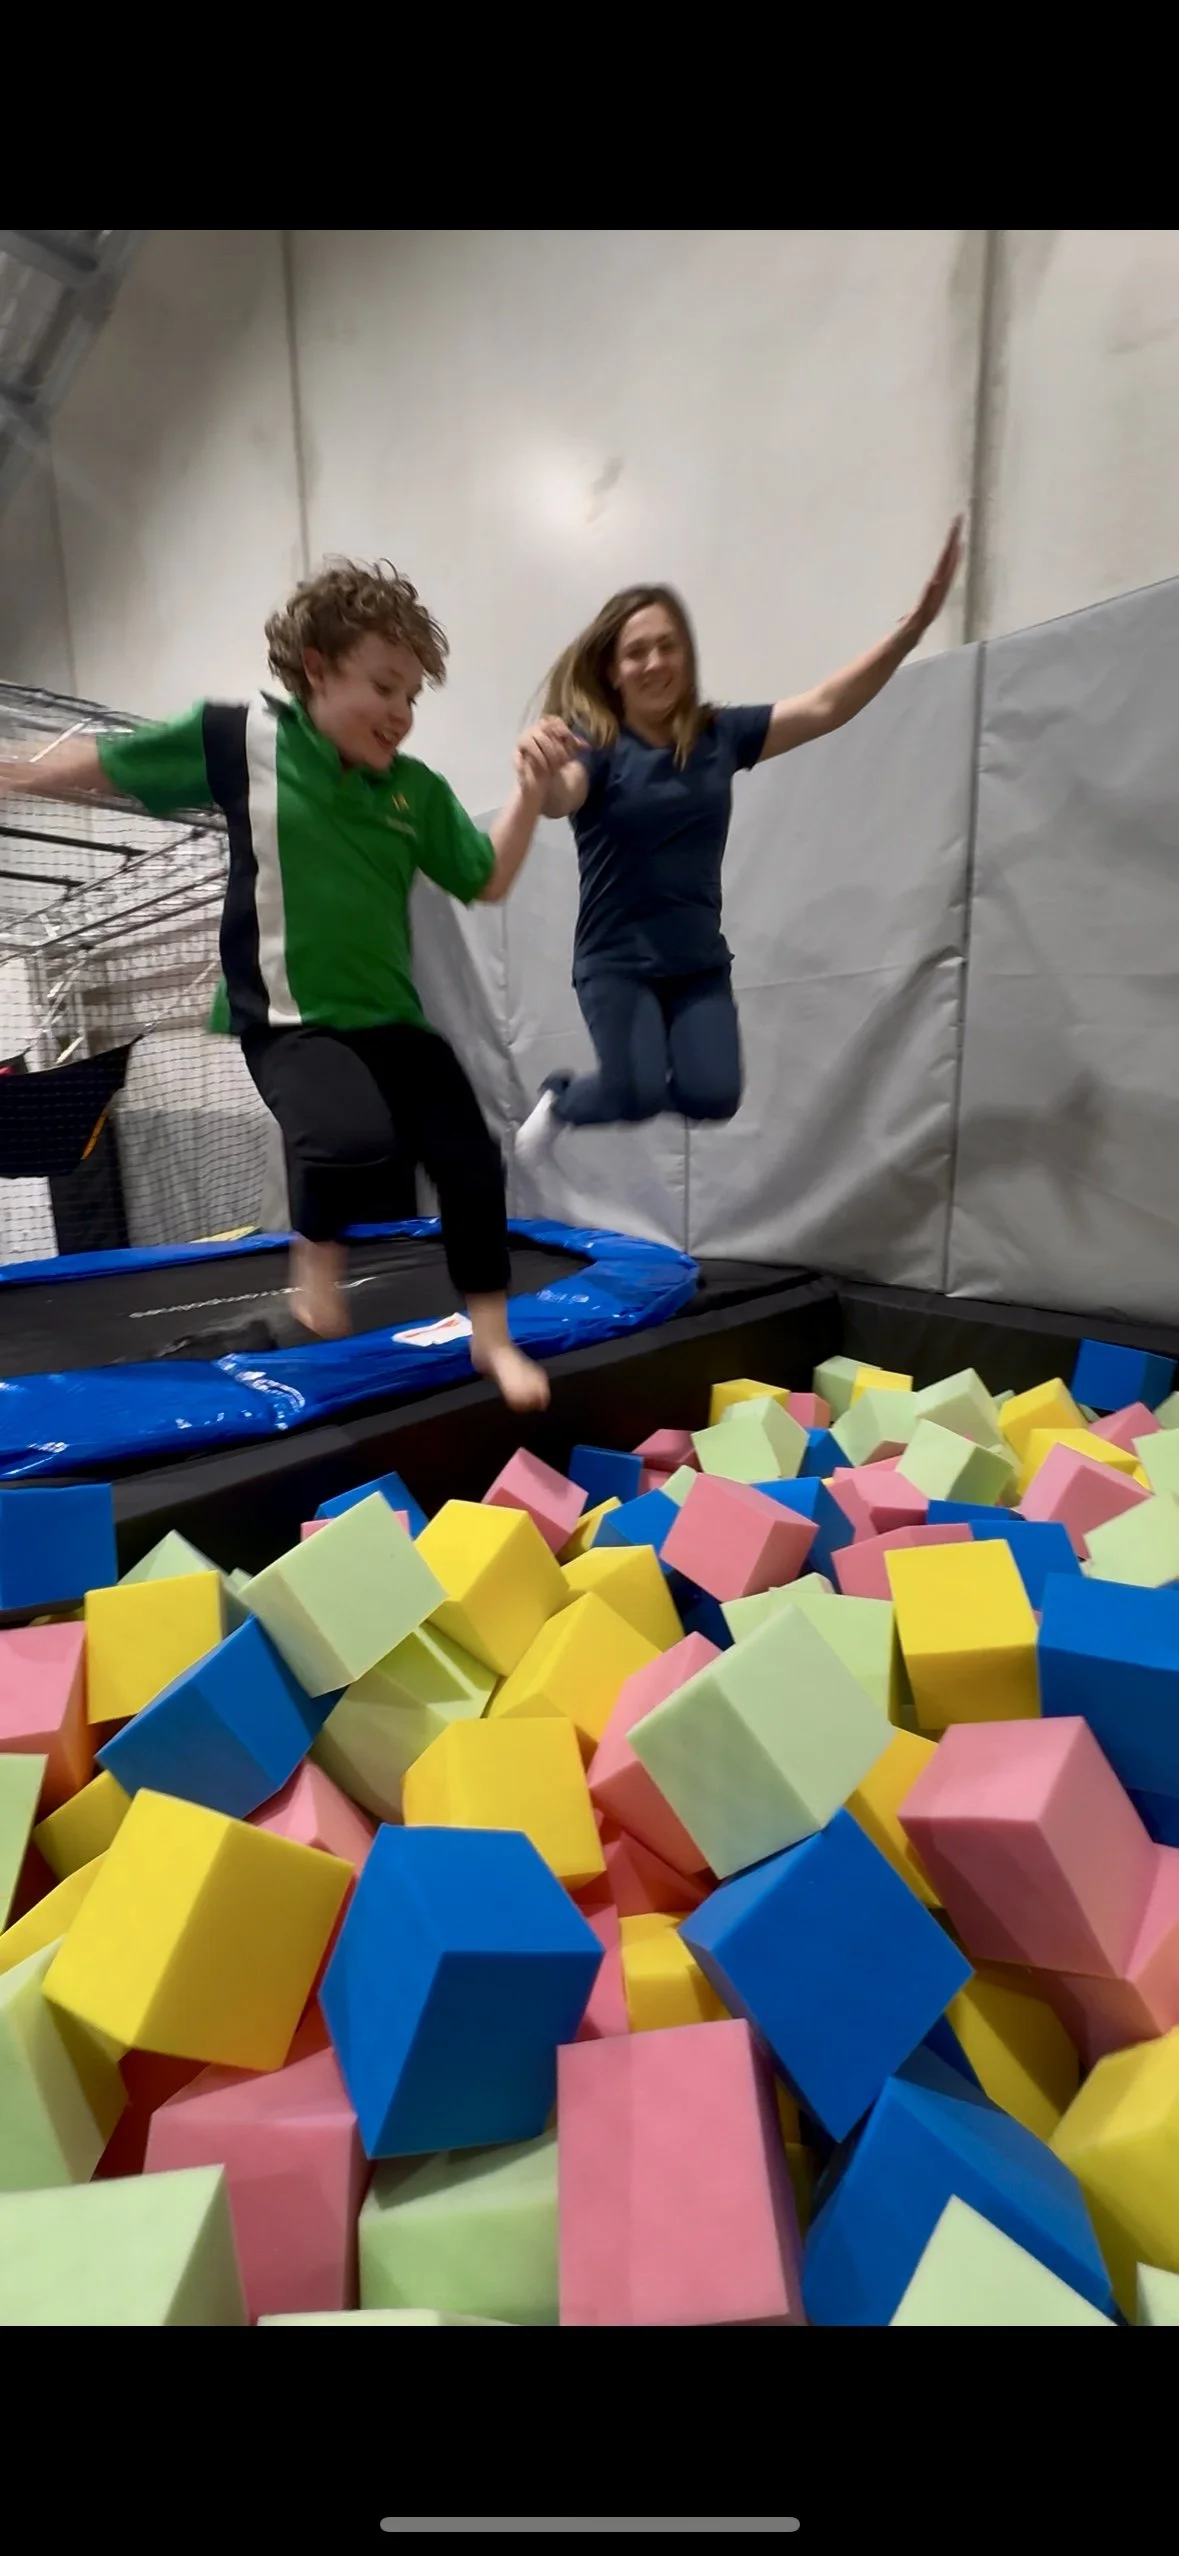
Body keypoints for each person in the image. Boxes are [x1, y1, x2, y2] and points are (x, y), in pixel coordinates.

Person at [0, 558, 580, 1413]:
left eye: (413, 697)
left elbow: (485, 879)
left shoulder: (415, 792)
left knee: (466, 1155)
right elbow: (118, 764)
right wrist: (21, 773)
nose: (401, 713)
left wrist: (530, 794)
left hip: (390, 1020)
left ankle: (492, 1338)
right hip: (288, 1017)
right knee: (346, 1136)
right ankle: (316, 1291)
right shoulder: (244, 741)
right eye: (384, 686)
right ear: (316, 667)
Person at [513, 519, 964, 1174]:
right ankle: (559, 1101)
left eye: (667, 647)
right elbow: (562, 796)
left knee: (714, 1094)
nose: (653, 663)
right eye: (636, 652)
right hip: (617, 962)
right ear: (612, 670)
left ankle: (598, 1092)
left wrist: (911, 630)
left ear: (685, 657)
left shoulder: (717, 735)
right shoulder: (598, 749)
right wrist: (539, 777)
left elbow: (826, 705)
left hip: (696, 962)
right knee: (636, 1092)